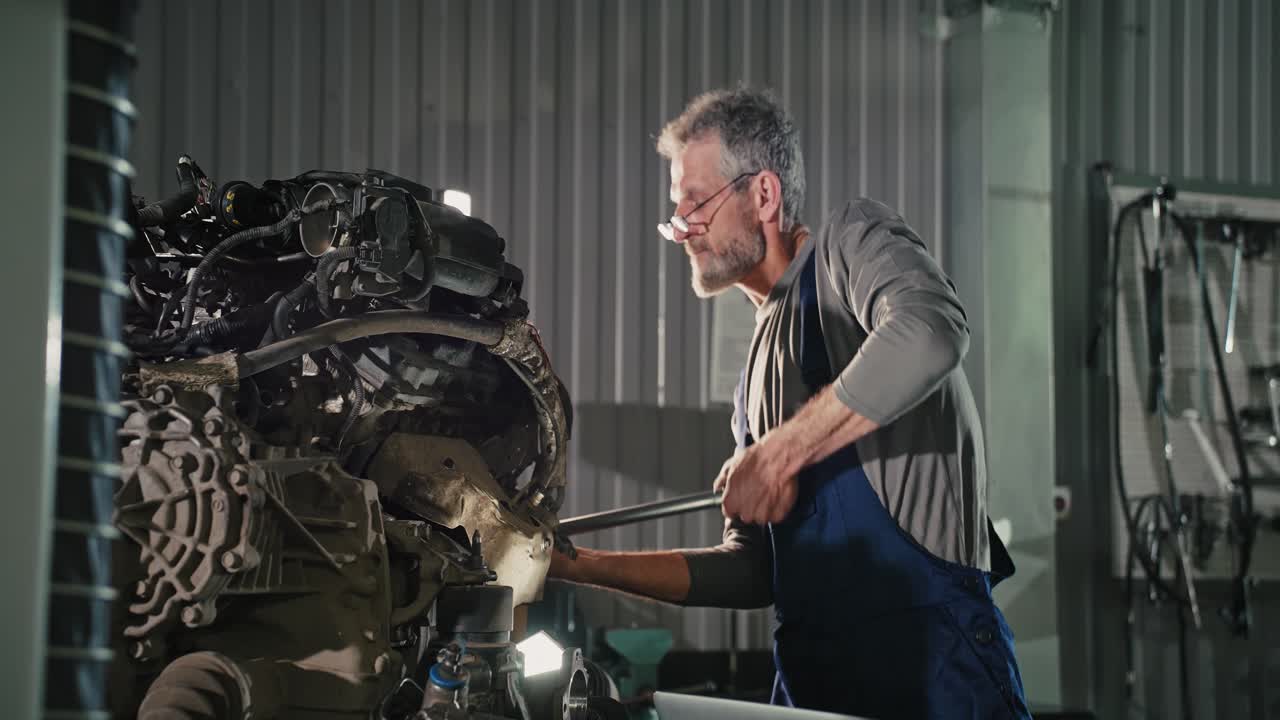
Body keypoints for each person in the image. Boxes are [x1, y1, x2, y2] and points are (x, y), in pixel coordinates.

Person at [548, 87, 1030, 719]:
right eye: (677, 208)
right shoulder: (752, 383)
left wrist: (779, 453)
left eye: (698, 201)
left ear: (764, 196)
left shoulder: (847, 248)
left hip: (932, 673)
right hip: (815, 686)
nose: (683, 226)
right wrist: (574, 566)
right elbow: (753, 571)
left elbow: (931, 331)